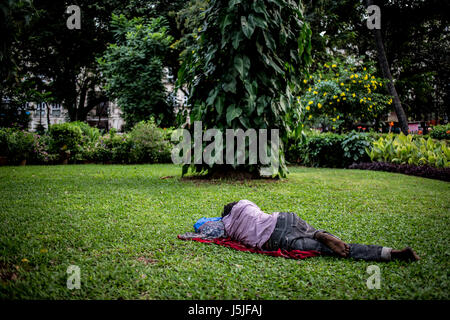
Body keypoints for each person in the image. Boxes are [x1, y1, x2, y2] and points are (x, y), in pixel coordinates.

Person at [221, 200, 420, 262]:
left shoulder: (228, 225)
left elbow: (213, 231)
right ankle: (319, 232)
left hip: (276, 238)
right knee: (314, 233)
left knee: (338, 250)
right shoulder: (246, 205)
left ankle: (390, 254)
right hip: (283, 218)